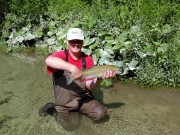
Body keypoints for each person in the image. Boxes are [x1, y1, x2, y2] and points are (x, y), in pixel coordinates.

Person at [44, 28, 116, 123]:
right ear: (67, 42)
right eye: (72, 41)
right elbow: (48, 60)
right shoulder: (61, 55)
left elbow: (90, 86)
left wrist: (99, 78)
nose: (76, 43)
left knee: (101, 113)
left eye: (78, 41)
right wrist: (73, 69)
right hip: (64, 103)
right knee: (71, 126)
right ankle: (52, 109)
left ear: (82, 42)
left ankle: (81, 111)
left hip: (83, 99)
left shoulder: (88, 59)